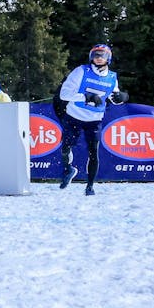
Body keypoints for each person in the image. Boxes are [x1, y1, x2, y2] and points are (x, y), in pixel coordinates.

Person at [54, 43, 127, 196]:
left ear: (109, 58)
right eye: (96, 54)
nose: (99, 58)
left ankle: (90, 186)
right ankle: (69, 169)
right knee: (66, 147)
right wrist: (86, 97)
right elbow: (64, 94)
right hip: (74, 115)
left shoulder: (112, 77)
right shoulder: (81, 71)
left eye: (103, 55)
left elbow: (114, 97)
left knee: (94, 152)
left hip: (95, 120)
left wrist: (121, 97)